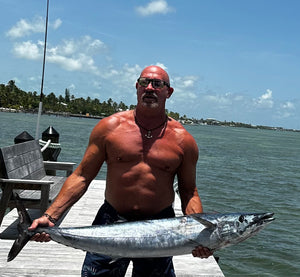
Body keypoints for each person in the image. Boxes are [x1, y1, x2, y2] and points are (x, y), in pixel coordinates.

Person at [29, 65, 213, 276]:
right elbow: (82, 176)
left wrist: (200, 233)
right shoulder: (109, 128)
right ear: (137, 87)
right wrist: (50, 216)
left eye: (158, 84)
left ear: (168, 92)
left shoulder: (184, 140)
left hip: (161, 227)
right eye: (144, 82)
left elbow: (189, 191)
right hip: (111, 221)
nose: (150, 88)